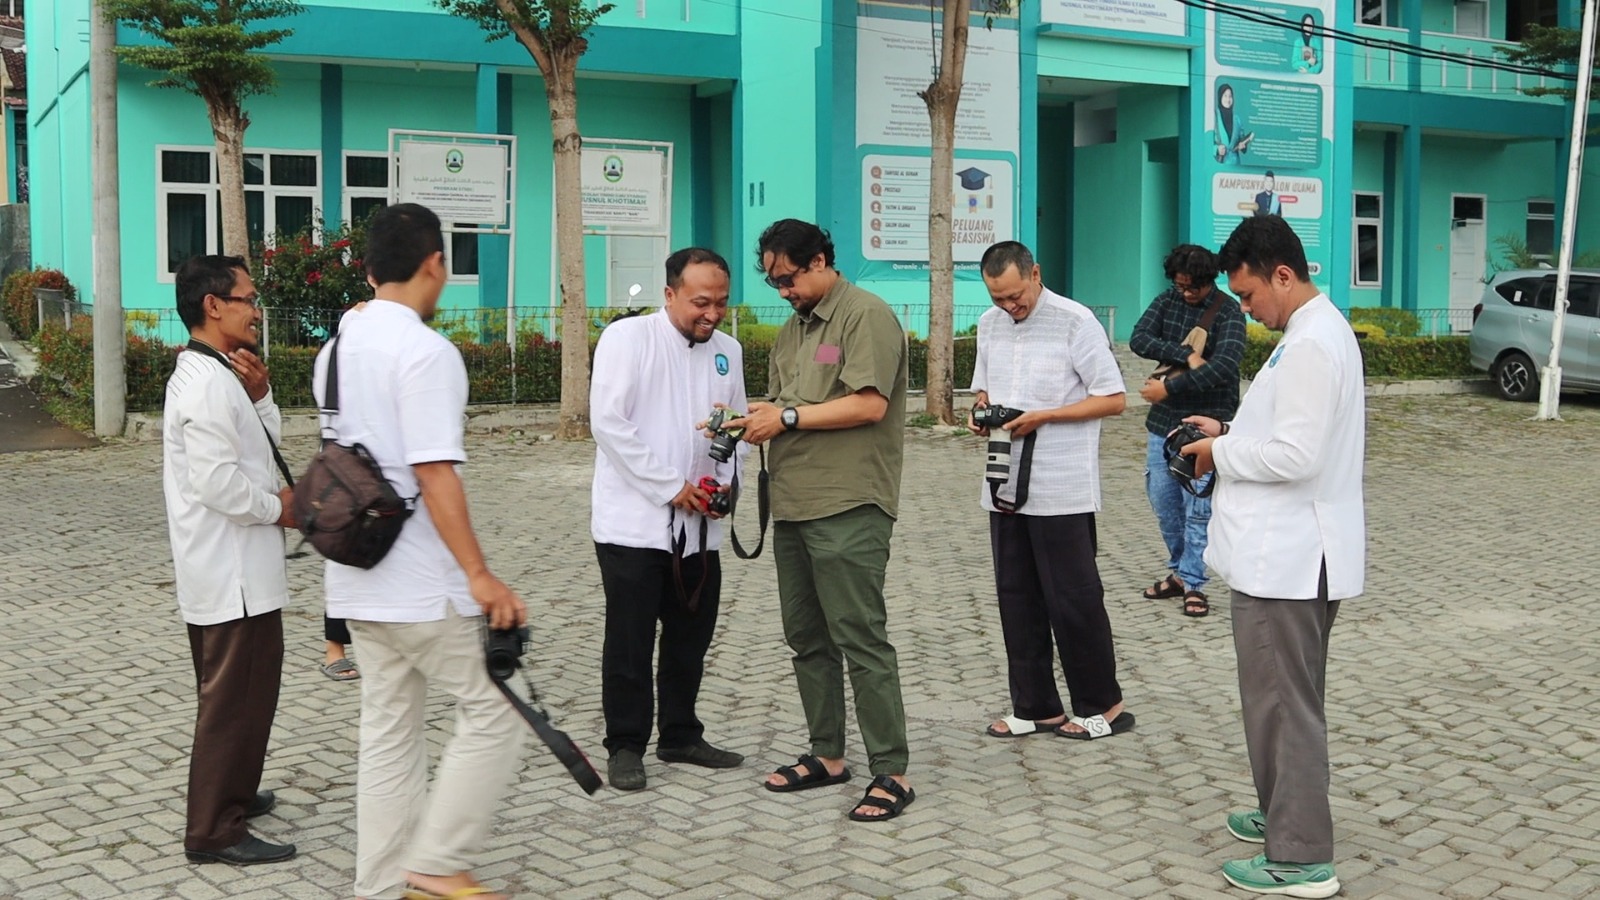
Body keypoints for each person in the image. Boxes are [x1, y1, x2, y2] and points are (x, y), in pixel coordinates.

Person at [314, 203, 527, 900]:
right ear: (436, 262)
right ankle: (436, 864)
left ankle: (379, 886)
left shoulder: (335, 349)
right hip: (419, 582)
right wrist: (480, 575)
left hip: (355, 576)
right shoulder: (425, 351)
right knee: (500, 706)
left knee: (389, 732)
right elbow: (434, 472)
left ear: (370, 268)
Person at [1179, 216, 1365, 898]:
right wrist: (1229, 430)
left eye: (1251, 295)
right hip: (1289, 550)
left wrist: (1218, 453)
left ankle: (1300, 857)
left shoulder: (1314, 343)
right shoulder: (1311, 336)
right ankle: (1280, 811)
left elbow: (1297, 455)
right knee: (1278, 700)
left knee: (1284, 705)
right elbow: (1286, 431)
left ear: (1283, 274)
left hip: (1288, 558)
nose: (1248, 312)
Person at [728, 218, 915, 823]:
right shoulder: (793, 330)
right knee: (807, 639)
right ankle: (828, 754)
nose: (782, 291)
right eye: (773, 281)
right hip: (795, 503)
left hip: (850, 503)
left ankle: (892, 770)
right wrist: (759, 412)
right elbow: (791, 403)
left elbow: (868, 403)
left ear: (820, 261)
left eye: (788, 278)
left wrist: (783, 419)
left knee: (859, 638)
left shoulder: (866, 315)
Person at [589, 247, 749, 792]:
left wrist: (725, 489)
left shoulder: (728, 351)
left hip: (700, 526)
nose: (712, 314)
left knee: (691, 636)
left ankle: (681, 733)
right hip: (633, 524)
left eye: (722, 303)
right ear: (670, 294)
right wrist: (670, 487)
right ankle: (625, 744)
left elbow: (737, 430)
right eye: (700, 303)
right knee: (630, 639)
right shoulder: (627, 339)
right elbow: (608, 423)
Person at [967, 241, 1134, 742]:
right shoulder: (989, 324)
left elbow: (1114, 399)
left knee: (1073, 598)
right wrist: (983, 411)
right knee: (1016, 596)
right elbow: (983, 388)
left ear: (1035, 274)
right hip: (1004, 476)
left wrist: (1045, 415)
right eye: (999, 298)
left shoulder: (1076, 321)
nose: (1009, 307)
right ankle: (1036, 706)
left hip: (1061, 482)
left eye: (1016, 296)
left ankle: (1104, 704)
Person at [161, 254, 297, 866]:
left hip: (238, 567)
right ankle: (214, 829)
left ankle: (235, 792)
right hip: (231, 570)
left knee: (248, 692)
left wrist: (263, 397)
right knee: (231, 700)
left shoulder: (222, 373)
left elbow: (261, 449)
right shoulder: (206, 381)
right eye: (246, 297)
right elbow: (218, 485)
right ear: (212, 305)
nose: (255, 308)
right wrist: (279, 510)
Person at [1129, 244, 1246, 618]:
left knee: (1199, 508)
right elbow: (1139, 339)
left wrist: (1170, 387)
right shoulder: (1167, 301)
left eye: (1191, 287)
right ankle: (1180, 571)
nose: (1185, 293)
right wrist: (1186, 354)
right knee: (1164, 502)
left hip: (1208, 422)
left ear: (1209, 281)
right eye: (1180, 286)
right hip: (1163, 422)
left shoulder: (1227, 312)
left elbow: (1224, 367)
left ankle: (1194, 583)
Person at [1214, 83, 1253, 165]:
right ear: (1220, 97)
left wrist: (1243, 146)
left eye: (1230, 96)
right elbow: (1205, 142)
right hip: (1218, 167)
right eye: (1225, 96)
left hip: (1234, 166)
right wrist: (1216, 149)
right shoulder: (1213, 117)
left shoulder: (1237, 119)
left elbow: (1242, 141)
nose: (1228, 99)